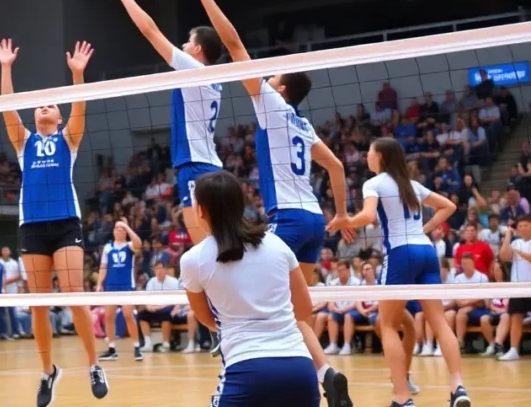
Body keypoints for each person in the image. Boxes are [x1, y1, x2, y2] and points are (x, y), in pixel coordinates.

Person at [185, 0, 352, 404]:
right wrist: (342, 213)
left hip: (290, 219)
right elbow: (336, 167)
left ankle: (280, 364)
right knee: (299, 310)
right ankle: (323, 368)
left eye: (273, 74)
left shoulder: (274, 108)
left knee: (264, 295)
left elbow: (236, 46)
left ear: (280, 89)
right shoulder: (305, 124)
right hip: (316, 219)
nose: (266, 74)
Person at [0, 38, 108, 405]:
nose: (44, 107)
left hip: (65, 225)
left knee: (75, 297)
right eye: (39, 105)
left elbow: (81, 108)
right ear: (33, 116)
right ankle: (48, 372)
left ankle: (94, 364)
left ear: (58, 118)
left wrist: (78, 75)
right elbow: (5, 107)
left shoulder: (68, 140)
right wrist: (6, 67)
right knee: (39, 305)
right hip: (33, 227)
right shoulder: (23, 142)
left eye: (51, 105)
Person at [339, 138, 471, 407]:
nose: (367, 157)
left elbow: (367, 216)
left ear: (381, 157)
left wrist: (344, 221)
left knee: (387, 325)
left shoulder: (373, 183)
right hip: (426, 252)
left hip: (400, 253)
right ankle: (458, 387)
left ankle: (402, 397)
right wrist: (425, 229)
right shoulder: (412, 184)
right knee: (439, 323)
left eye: (369, 152)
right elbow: (449, 206)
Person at [180, 171, 326, 407]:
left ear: (201, 210)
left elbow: (206, 318)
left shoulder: (192, 260)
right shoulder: (277, 244)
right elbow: (304, 308)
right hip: (300, 369)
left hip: (246, 371)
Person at [103, 0, 224, 244]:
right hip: (210, 165)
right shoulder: (216, 78)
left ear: (197, 50)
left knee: (205, 247)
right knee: (215, 243)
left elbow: (151, 32)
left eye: (186, 43)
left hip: (195, 166)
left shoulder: (192, 68)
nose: (181, 46)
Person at [96, 219, 142, 362]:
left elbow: (139, 244)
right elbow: (103, 266)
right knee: (109, 317)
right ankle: (111, 349)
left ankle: (136, 347)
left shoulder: (130, 246)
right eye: (116, 227)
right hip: (111, 286)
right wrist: (99, 283)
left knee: (128, 315)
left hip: (127, 286)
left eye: (120, 228)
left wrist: (127, 226)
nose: (118, 229)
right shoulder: (108, 248)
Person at [498, 216, 531, 361]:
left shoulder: (519, 247)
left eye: (525, 225)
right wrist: (508, 235)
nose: (522, 228)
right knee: (516, 317)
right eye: (520, 226)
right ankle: (513, 350)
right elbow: (504, 256)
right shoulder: (515, 242)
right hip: (518, 287)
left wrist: (519, 253)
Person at [138, 261, 189, 353]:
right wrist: (149, 306)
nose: (159, 271)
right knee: (142, 315)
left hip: (169, 307)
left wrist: (160, 307)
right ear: (154, 270)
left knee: (166, 314)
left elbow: (177, 299)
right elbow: (147, 298)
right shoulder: (151, 282)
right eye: (156, 269)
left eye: (161, 268)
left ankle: (166, 343)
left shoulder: (174, 282)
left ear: (165, 270)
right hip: (155, 308)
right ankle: (148, 343)